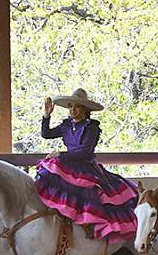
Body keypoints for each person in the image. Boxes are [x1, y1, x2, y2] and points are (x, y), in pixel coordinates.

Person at [34, 88, 139, 241]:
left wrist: (60, 154)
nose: (73, 110)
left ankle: (90, 228)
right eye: (70, 106)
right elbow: (46, 134)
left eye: (77, 106)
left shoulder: (91, 128)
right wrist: (46, 115)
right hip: (68, 164)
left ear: (85, 109)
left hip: (85, 166)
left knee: (89, 195)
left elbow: (85, 152)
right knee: (48, 170)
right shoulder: (66, 125)